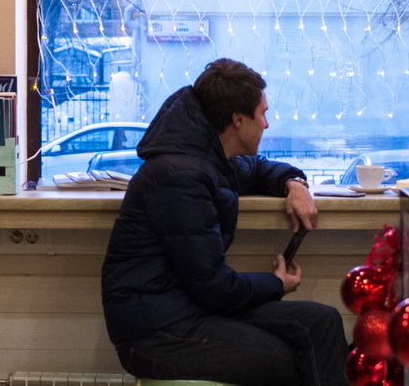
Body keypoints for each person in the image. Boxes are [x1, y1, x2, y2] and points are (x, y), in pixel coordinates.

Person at [101, 58, 348, 386]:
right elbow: (215, 288)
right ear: (238, 119)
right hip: (156, 331)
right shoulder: (181, 176)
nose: (267, 124)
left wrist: (295, 184)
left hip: (190, 306)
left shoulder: (210, 157)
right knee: (289, 359)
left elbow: (257, 169)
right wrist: (276, 284)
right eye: (263, 113)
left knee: (323, 321)